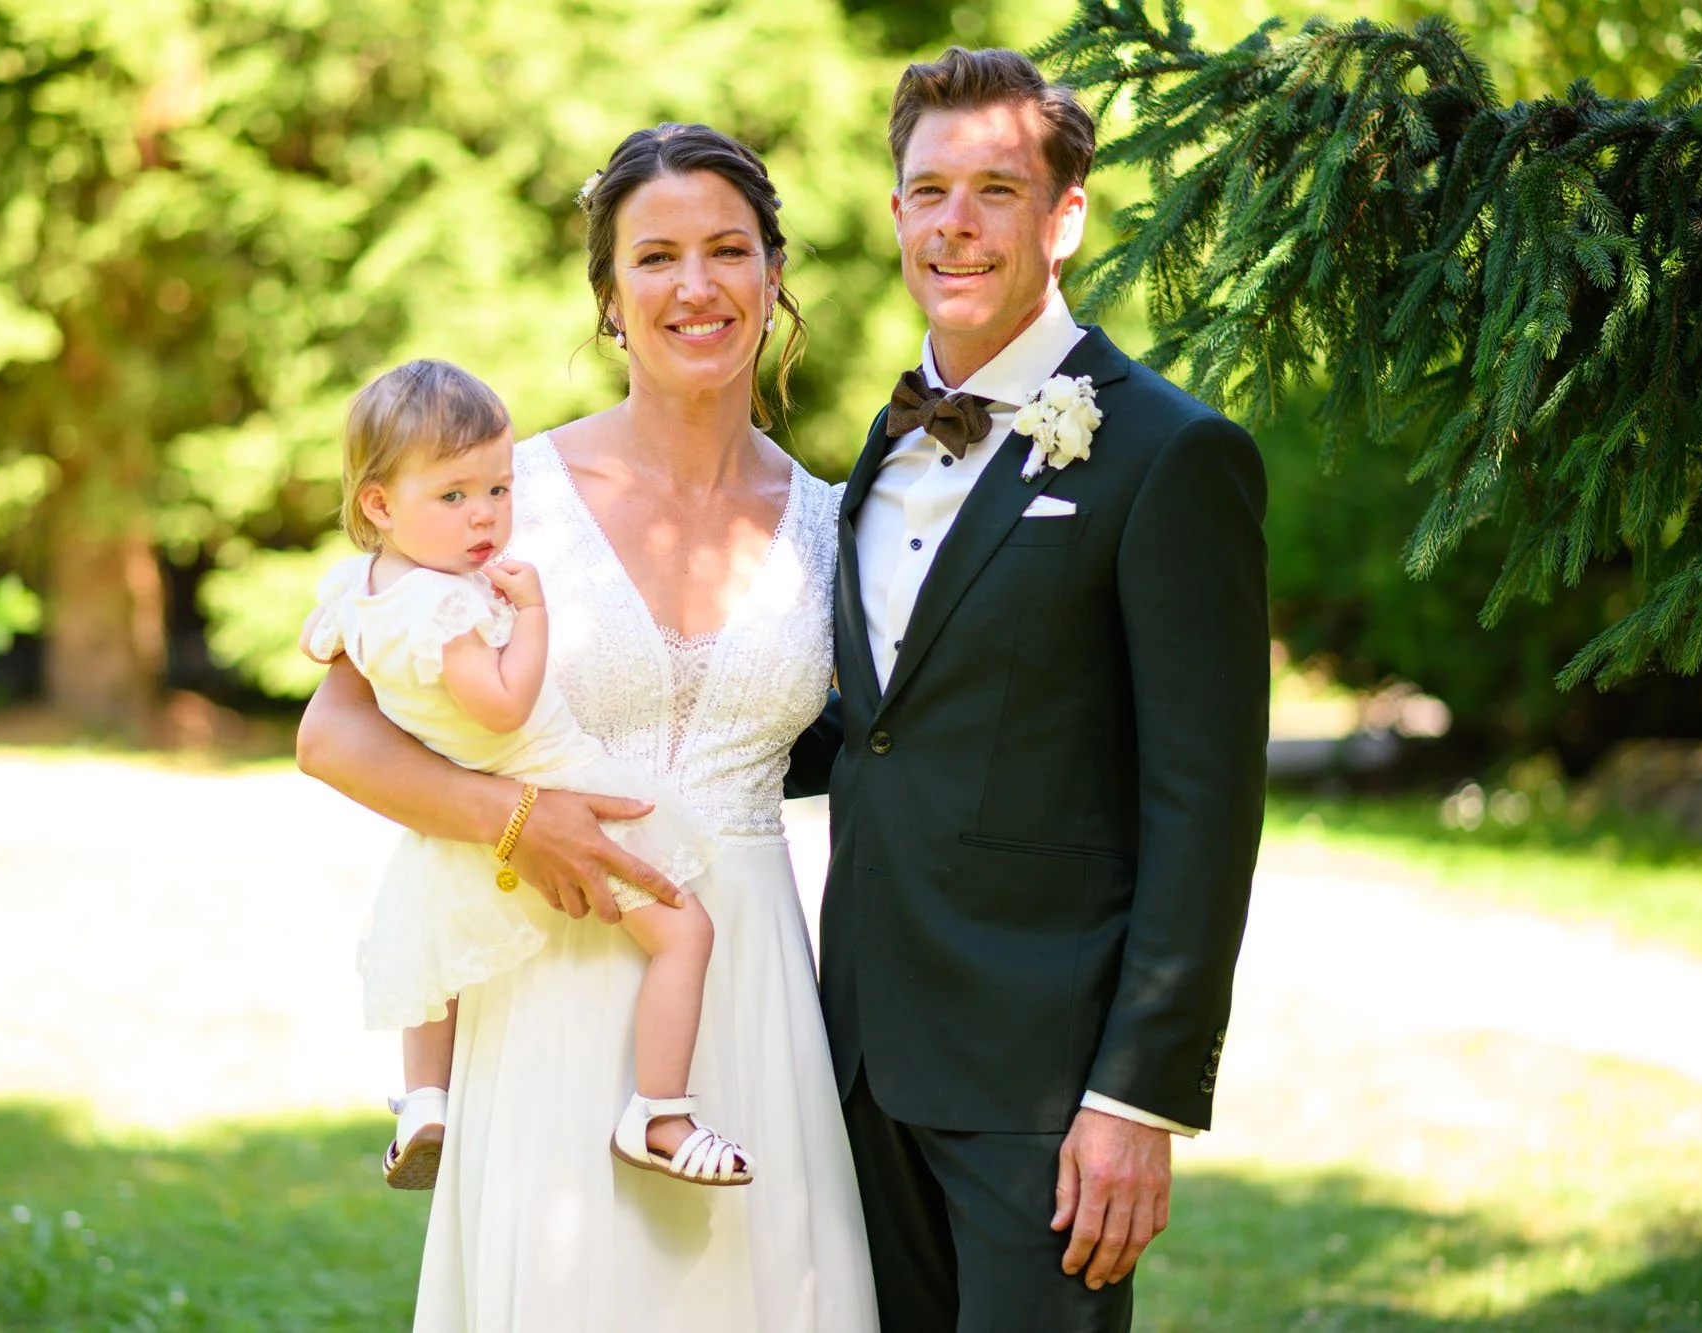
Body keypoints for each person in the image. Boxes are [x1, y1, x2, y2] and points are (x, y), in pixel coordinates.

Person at [296, 124, 879, 1333]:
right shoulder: (503, 500)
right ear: (610, 296)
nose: (695, 286)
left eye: (728, 250)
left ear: (774, 274)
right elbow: (332, 736)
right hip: (543, 964)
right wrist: (518, 820)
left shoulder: (834, 523)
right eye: (654, 257)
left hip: (744, 975)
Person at [818, 47, 1270, 1332]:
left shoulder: (1170, 454)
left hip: (1043, 1087)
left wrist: (1137, 1095)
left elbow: (1204, 803)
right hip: (854, 1053)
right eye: (925, 190)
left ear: (1064, 214)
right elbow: (874, 728)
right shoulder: (885, 441)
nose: (953, 224)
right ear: (895, 209)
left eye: (995, 191)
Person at [304, 357, 746, 1191]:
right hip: (555, 778)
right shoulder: (452, 606)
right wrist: (532, 613)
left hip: (454, 807)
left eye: (500, 491)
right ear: (379, 503)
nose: (486, 518)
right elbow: (503, 704)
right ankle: (659, 1111)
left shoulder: (358, 589)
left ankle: (426, 1101)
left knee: (437, 953)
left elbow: (323, 637)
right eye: (455, 496)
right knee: (685, 931)